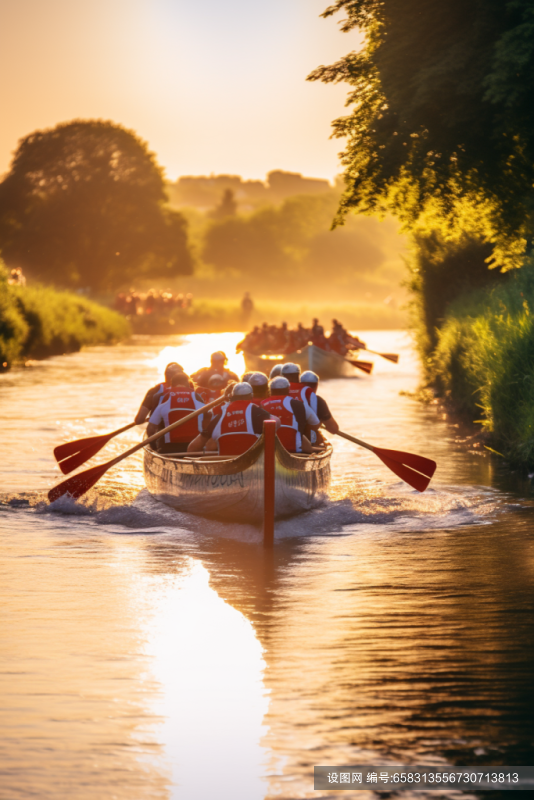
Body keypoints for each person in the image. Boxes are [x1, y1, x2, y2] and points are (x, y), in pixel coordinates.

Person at [188, 382, 279, 454]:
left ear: (232, 397)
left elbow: (192, 448)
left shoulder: (219, 416)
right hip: (252, 468)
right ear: (251, 396)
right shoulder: (256, 411)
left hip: (226, 470)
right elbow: (277, 422)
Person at [146, 373, 207, 453]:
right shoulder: (197, 398)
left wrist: (154, 447)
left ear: (172, 386)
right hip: (194, 449)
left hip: (170, 449)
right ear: (188, 385)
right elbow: (210, 422)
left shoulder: (166, 398)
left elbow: (151, 428)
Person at [261, 376, 318, 453]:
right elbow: (315, 423)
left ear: (270, 390)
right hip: (294, 450)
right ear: (288, 390)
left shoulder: (262, 405)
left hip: (268, 452)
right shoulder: (299, 404)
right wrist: (304, 434)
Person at [300, 370, 340, 443]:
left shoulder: (289, 398)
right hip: (310, 440)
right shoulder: (319, 401)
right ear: (316, 386)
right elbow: (334, 429)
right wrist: (321, 422)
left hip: (291, 439)